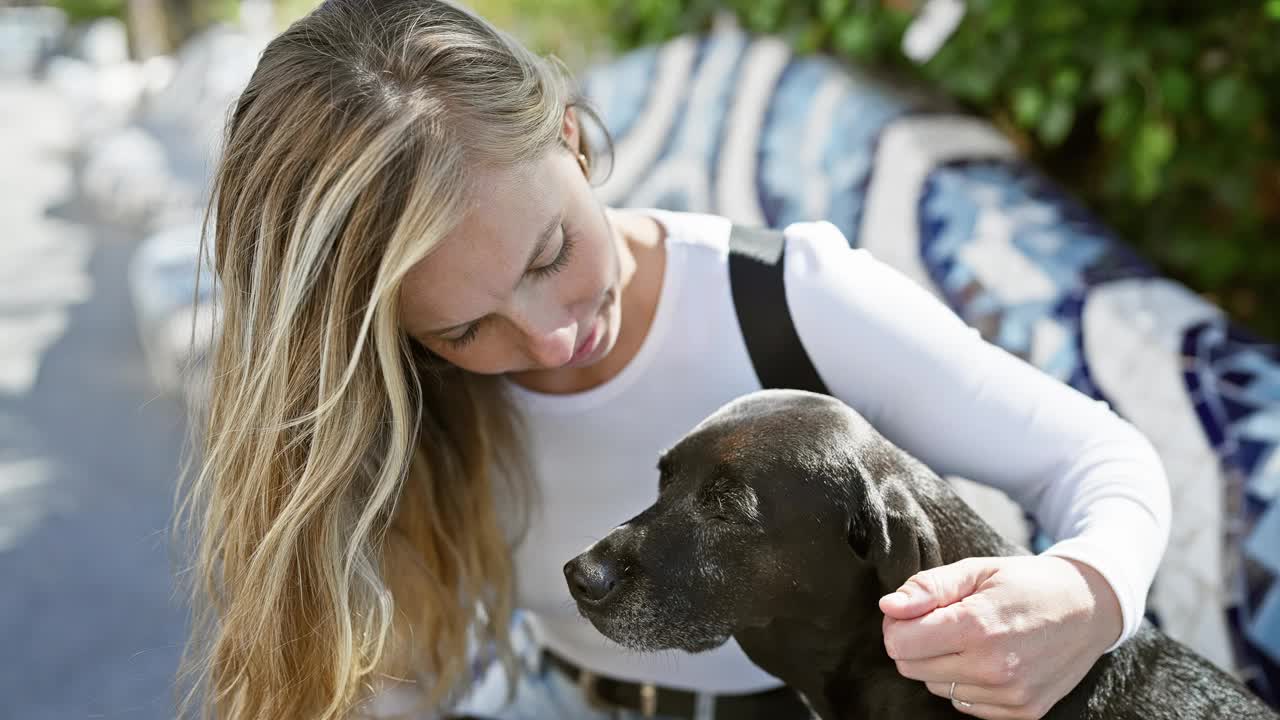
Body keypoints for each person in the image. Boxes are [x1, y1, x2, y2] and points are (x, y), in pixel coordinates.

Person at [176, 1, 1171, 719]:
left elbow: (1097, 460)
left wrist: (1086, 592)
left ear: (567, 136)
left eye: (551, 254)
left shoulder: (789, 300)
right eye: (464, 331)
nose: (552, 342)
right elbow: (379, 677)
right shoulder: (386, 402)